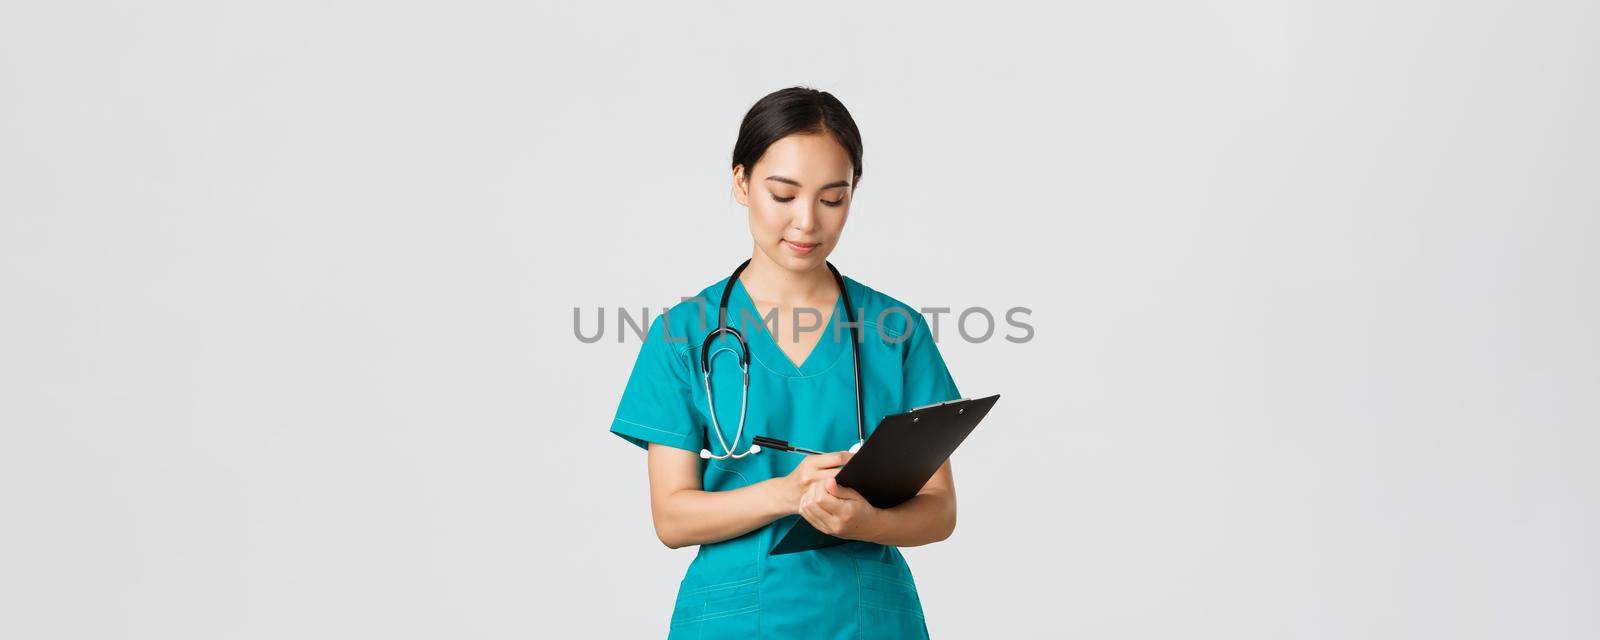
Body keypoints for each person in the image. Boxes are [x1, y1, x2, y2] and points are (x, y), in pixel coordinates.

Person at [609, 86, 962, 639]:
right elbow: (672, 518)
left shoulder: (895, 331)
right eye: (783, 194)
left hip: (867, 617)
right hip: (735, 617)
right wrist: (786, 493)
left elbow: (939, 510)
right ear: (742, 183)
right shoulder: (684, 334)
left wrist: (869, 522)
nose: (806, 223)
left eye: (831, 198)